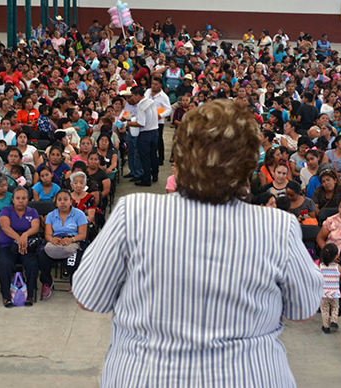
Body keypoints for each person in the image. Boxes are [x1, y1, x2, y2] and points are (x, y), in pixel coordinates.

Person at [72, 99, 323, 387]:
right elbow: (304, 310)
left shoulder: (134, 214)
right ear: (248, 162)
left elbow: (88, 298)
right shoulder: (278, 227)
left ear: (181, 155)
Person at [39, 190, 88, 297]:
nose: (62, 202)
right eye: (59, 200)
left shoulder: (79, 214)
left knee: (75, 260)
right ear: (56, 203)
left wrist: (71, 240)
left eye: (65, 199)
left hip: (73, 241)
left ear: (71, 201)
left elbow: (83, 235)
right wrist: (52, 240)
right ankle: (47, 283)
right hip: (56, 242)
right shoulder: (51, 216)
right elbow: (47, 235)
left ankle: (74, 283)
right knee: (42, 257)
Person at [0, 187, 40, 307]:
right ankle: (6, 297)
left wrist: (25, 235)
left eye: (24, 198)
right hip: (7, 245)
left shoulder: (32, 212)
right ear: (13, 199)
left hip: (26, 246)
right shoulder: (6, 210)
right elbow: (5, 227)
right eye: (18, 198)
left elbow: (35, 227)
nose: (21, 201)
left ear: (28, 199)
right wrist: (19, 238)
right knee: (5, 264)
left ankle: (30, 295)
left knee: (32, 264)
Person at [124, 86, 159, 187]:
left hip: (145, 134)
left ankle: (146, 179)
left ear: (138, 95)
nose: (132, 98)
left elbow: (141, 123)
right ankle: (155, 174)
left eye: (133, 96)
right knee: (153, 155)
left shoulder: (140, 106)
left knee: (145, 158)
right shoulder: (151, 101)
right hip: (154, 131)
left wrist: (129, 123)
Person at [318, 243, 341, 334]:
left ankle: (326, 327)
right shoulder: (338, 267)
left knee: (325, 310)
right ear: (335, 256)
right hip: (334, 293)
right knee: (335, 307)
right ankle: (334, 321)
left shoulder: (320, 267)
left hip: (323, 294)